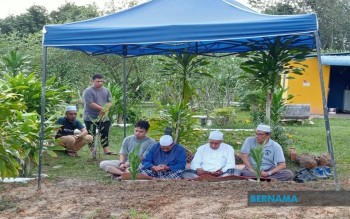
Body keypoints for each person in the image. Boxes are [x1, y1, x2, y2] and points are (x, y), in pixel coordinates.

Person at [83, 73, 115, 155]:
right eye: (98, 81)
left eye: (101, 81)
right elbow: (90, 103)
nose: (100, 83)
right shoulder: (88, 91)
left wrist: (105, 109)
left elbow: (110, 102)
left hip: (104, 116)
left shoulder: (106, 90)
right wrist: (102, 109)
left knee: (105, 132)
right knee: (91, 134)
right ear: (92, 81)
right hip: (90, 117)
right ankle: (93, 151)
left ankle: (106, 150)